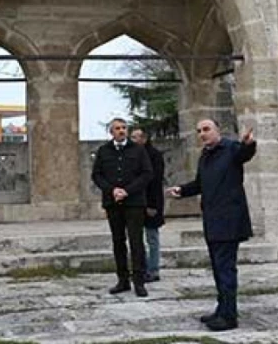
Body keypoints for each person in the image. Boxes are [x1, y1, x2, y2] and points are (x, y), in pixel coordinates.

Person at [167, 118, 256, 331]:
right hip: (212, 221)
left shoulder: (232, 149)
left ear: (217, 130)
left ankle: (229, 317)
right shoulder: (205, 156)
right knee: (218, 268)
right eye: (199, 131)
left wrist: (248, 144)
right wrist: (182, 190)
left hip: (229, 220)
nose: (202, 134)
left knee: (226, 269)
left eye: (206, 129)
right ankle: (221, 309)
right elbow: (200, 184)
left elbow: (245, 154)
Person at [91, 118, 153, 297]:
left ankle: (139, 281)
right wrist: (112, 190)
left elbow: (147, 173)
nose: (121, 131)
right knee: (118, 242)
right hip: (113, 203)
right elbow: (97, 175)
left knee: (136, 241)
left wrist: (127, 190)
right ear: (111, 132)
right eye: (117, 128)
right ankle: (122, 280)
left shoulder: (138, 150)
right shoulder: (104, 151)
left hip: (134, 202)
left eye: (124, 128)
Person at [130, 128, 165, 282]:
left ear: (145, 138)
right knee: (137, 238)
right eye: (132, 137)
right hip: (136, 203)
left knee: (152, 237)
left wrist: (153, 205)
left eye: (137, 137)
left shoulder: (155, 156)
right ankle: (141, 269)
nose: (134, 140)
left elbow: (155, 182)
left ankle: (153, 269)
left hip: (151, 202)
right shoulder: (132, 155)